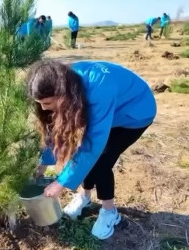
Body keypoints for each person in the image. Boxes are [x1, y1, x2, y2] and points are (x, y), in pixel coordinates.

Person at [27, 60, 156, 240]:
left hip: (134, 112)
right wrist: (44, 163)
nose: (43, 107)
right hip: (109, 108)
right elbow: (55, 128)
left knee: (101, 160)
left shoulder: (99, 89)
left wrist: (61, 182)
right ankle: (84, 196)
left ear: (62, 93)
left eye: (47, 102)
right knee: (85, 154)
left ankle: (110, 212)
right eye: (39, 102)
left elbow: (93, 145)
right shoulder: (61, 82)